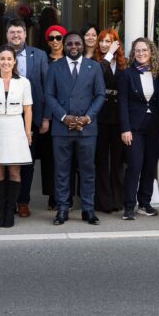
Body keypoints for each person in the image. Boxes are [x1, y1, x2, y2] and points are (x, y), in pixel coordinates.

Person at [0, 18, 49, 218]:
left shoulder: (39, 55)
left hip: (30, 116)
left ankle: (23, 201)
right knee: (2, 161)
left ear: (25, 34)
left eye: (19, 32)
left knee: (25, 162)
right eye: (12, 32)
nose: (16, 35)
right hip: (2, 119)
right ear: (7, 34)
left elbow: (46, 88)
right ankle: (6, 203)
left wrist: (45, 118)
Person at [45, 31, 106, 226]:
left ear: (82, 45)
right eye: (69, 43)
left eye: (77, 43)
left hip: (87, 128)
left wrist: (87, 118)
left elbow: (100, 95)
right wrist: (64, 117)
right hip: (62, 129)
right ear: (64, 45)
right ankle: (62, 208)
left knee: (88, 170)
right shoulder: (55, 67)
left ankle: (88, 209)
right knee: (62, 171)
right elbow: (49, 95)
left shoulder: (94, 67)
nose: (73, 47)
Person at [0, 46, 33, 228]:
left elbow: (28, 110)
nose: (6, 62)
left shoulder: (24, 82)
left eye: (9, 59)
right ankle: (1, 210)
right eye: (2, 59)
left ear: (14, 61)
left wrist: (27, 134)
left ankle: (10, 211)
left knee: (14, 171)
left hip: (16, 127)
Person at [118, 38, 159, 220]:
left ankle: (144, 203)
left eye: (144, 50)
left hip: (155, 127)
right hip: (134, 128)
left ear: (151, 52)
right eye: (137, 50)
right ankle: (129, 206)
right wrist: (125, 129)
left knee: (150, 166)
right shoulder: (126, 74)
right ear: (133, 53)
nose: (141, 53)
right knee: (135, 165)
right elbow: (122, 103)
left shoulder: (158, 74)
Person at [93, 29, 126, 214]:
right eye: (102, 41)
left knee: (117, 160)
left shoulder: (123, 64)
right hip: (101, 116)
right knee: (102, 160)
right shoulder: (96, 63)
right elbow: (98, 75)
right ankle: (103, 201)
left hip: (119, 117)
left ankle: (117, 199)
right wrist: (109, 54)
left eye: (109, 41)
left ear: (116, 43)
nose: (105, 44)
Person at [37, 24, 66, 210]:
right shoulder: (43, 60)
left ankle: (65, 194)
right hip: (49, 114)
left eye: (58, 37)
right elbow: (43, 90)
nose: (55, 41)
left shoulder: (71, 59)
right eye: (51, 38)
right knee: (49, 158)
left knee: (66, 158)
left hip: (68, 114)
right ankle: (52, 196)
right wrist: (45, 117)